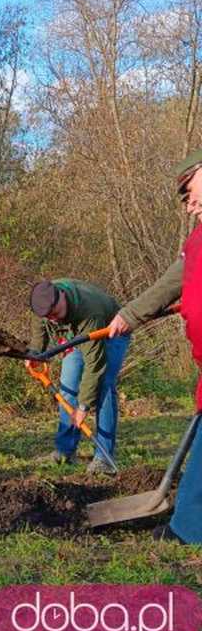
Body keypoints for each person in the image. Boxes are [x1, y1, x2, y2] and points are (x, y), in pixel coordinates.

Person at [108, 149, 202, 543]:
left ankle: (188, 527)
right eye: (183, 198)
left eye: (190, 191)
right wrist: (129, 314)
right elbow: (171, 283)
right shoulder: (197, 239)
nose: (188, 204)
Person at [29, 278, 130, 474]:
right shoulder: (42, 301)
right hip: (76, 335)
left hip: (111, 331)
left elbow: (95, 365)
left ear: (63, 297)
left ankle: (104, 459)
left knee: (104, 387)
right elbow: (39, 328)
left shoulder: (89, 310)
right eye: (49, 317)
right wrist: (34, 353)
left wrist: (84, 406)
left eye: (56, 314)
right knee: (67, 387)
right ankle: (65, 451)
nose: (54, 320)